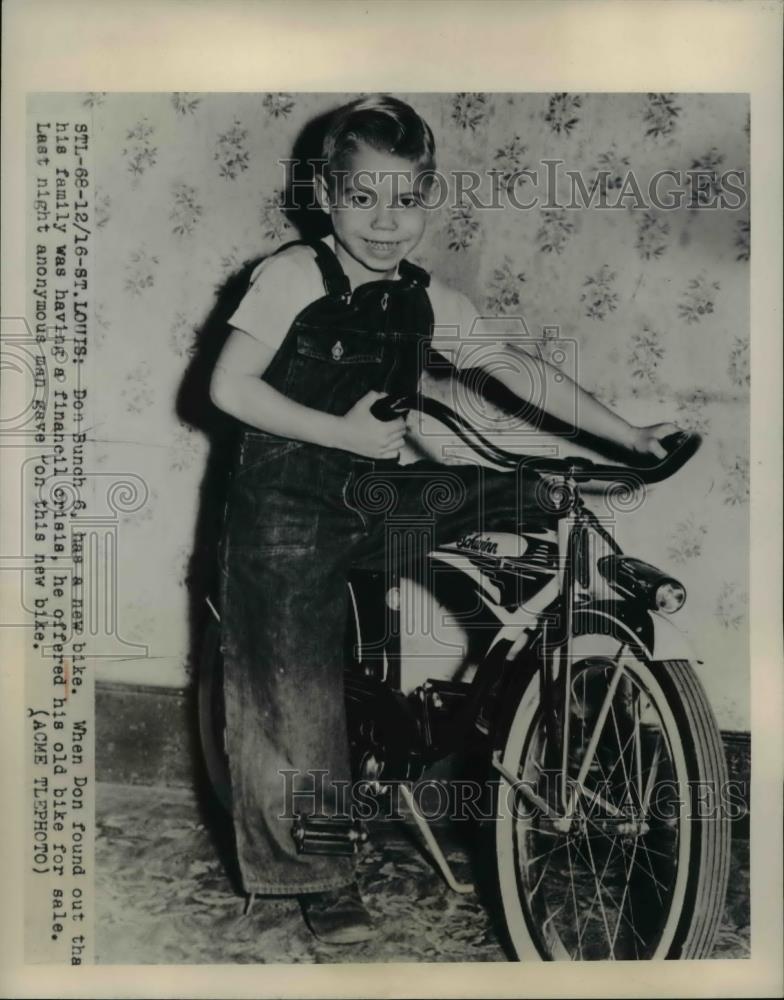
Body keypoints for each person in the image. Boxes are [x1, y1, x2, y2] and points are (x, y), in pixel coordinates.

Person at [209, 94, 678, 945]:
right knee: (292, 690)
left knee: (532, 489)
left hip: (380, 490)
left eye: (407, 200)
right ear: (325, 196)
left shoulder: (428, 301)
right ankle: (306, 883)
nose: (387, 222)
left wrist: (630, 434)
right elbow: (228, 389)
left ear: (429, 198)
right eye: (364, 199)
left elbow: (518, 371)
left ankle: (526, 685)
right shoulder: (289, 276)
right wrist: (343, 432)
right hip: (287, 502)